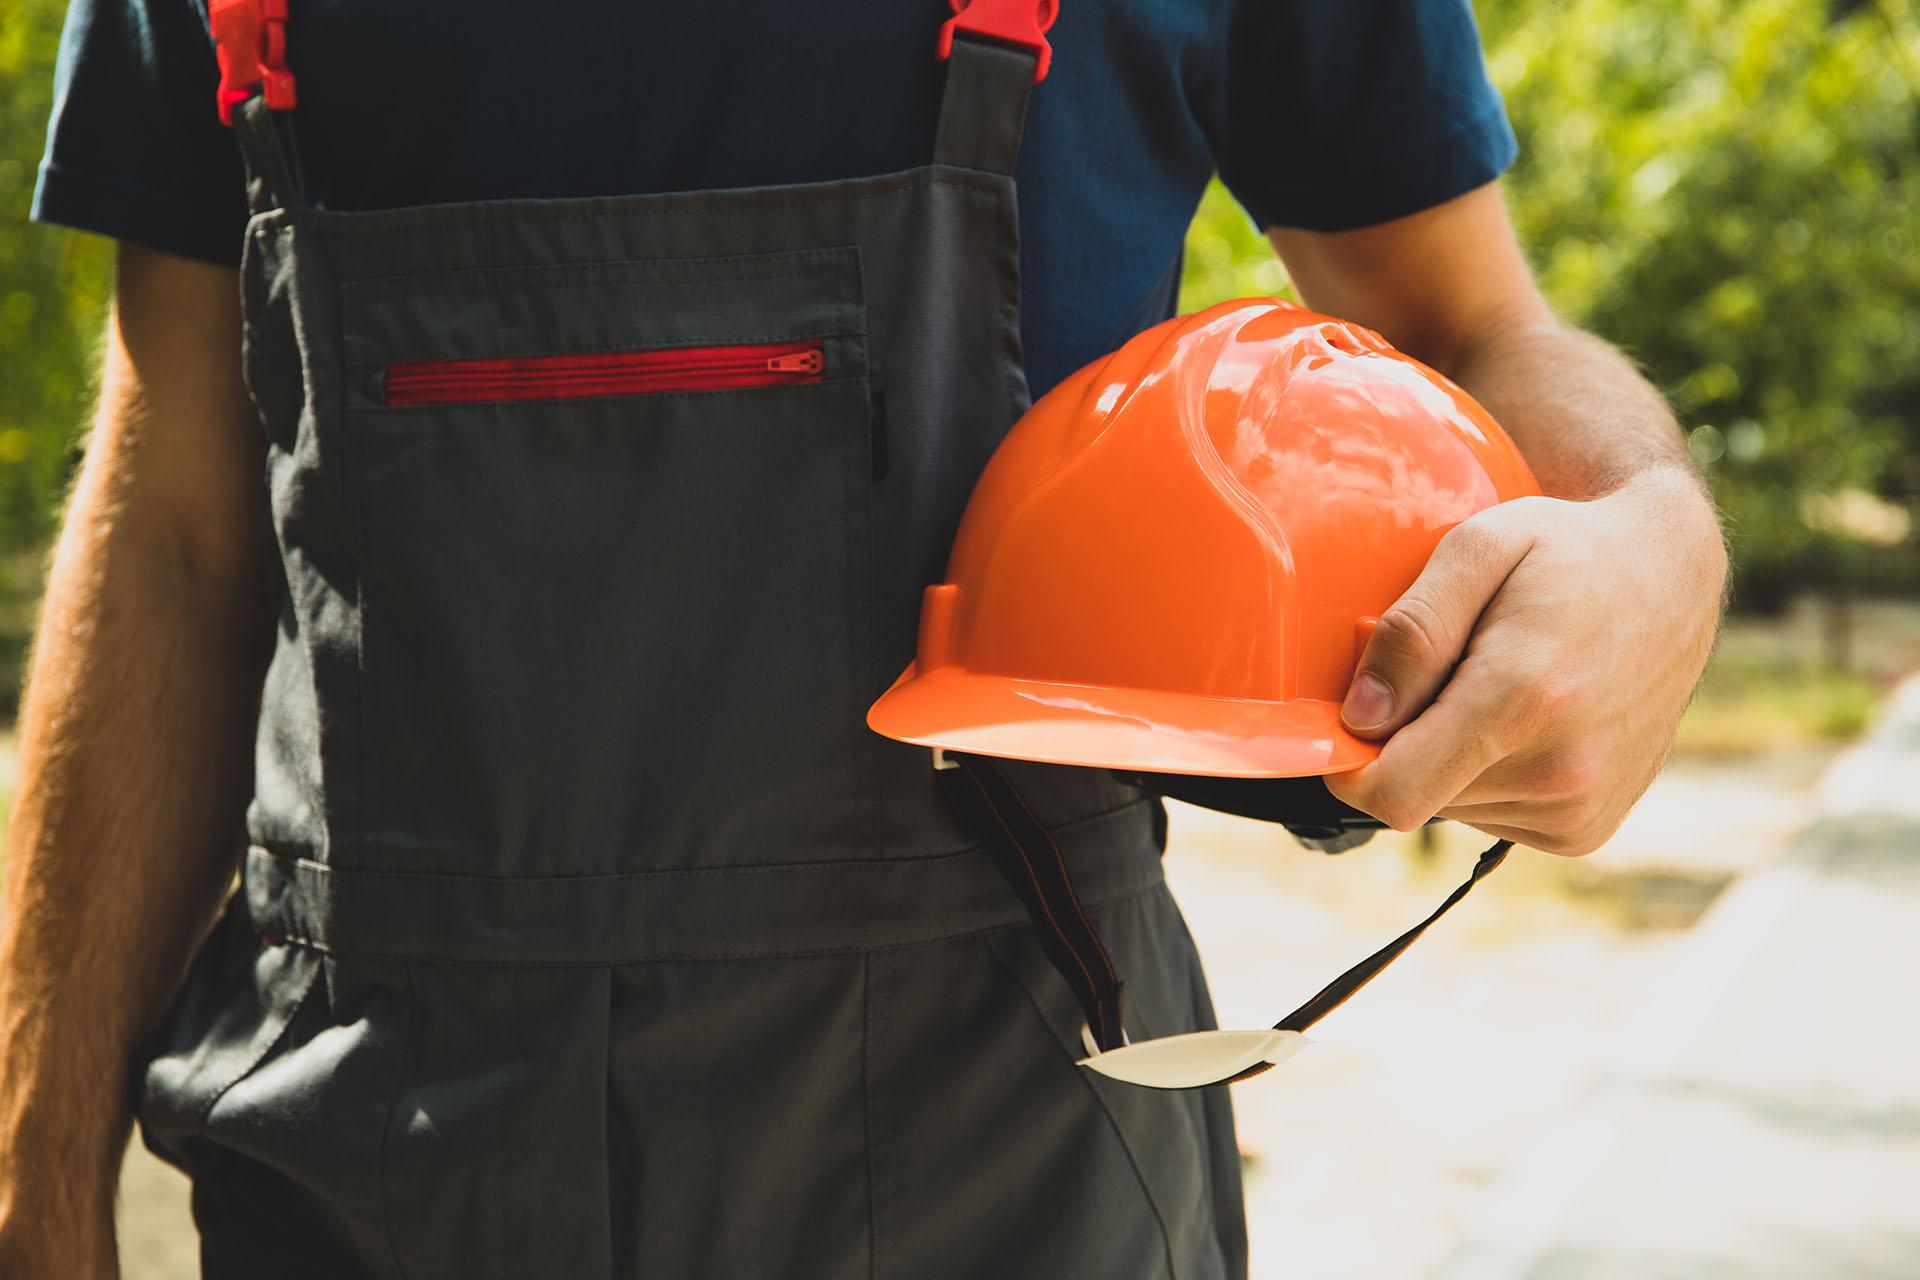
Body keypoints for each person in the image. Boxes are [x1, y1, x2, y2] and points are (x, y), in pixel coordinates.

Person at [0, 1, 1728, 1275]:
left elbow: (1470, 335)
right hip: (376, 1156)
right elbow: (174, 530)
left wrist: (1655, 536)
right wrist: (32, 1176)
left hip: (1013, 1141)